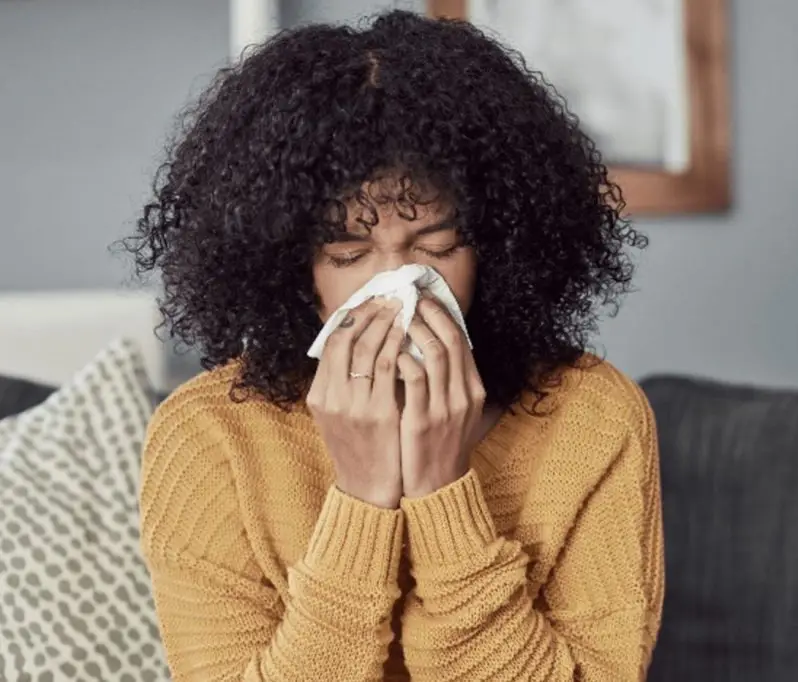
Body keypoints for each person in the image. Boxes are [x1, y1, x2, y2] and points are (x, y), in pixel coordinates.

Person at [126, 10, 663, 681]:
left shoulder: (596, 420)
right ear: (290, 262)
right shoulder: (209, 437)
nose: (395, 286)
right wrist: (360, 498)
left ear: (497, 246)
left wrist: (444, 492)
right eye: (349, 251)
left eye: (436, 247)